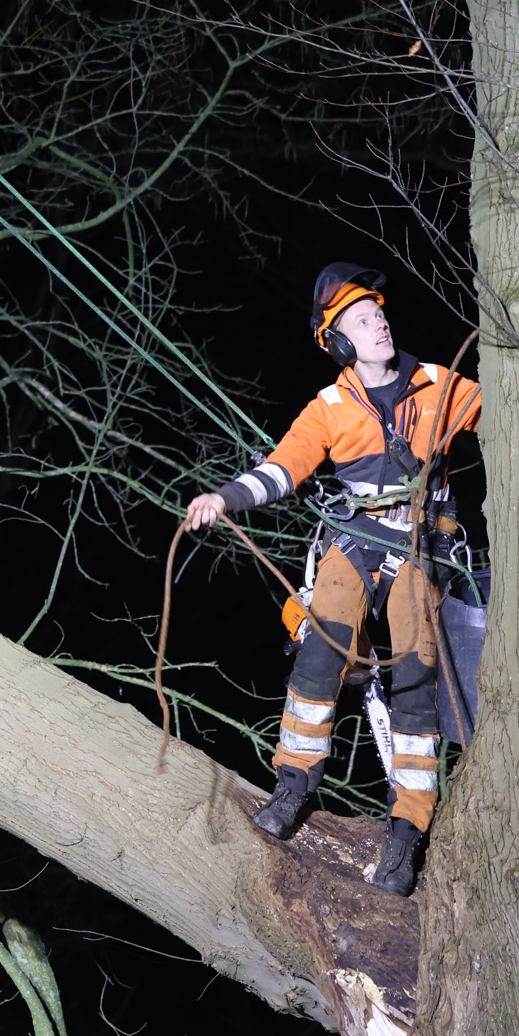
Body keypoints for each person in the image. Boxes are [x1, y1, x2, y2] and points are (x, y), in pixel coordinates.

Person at [185, 263, 481, 895]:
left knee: (417, 666)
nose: (380, 324)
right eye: (363, 321)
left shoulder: (441, 388)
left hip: (420, 545)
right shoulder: (330, 408)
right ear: (339, 342)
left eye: (380, 315)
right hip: (355, 542)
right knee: (321, 640)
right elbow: (283, 468)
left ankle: (406, 832)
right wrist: (225, 498)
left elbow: (512, 414)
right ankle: (292, 785)